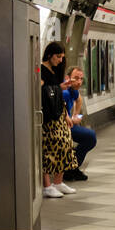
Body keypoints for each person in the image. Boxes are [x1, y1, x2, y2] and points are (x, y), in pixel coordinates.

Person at [41, 42, 78, 196]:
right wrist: (60, 88)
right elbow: (41, 90)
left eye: (62, 57)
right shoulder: (41, 70)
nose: (60, 60)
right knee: (48, 149)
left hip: (58, 113)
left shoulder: (55, 70)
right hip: (47, 116)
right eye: (58, 57)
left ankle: (58, 181)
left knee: (66, 144)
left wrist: (67, 115)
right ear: (49, 55)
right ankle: (47, 185)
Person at [63, 66, 96, 182]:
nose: (79, 82)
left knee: (90, 136)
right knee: (90, 137)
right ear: (68, 78)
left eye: (81, 79)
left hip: (68, 124)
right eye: (76, 78)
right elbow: (60, 110)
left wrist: (75, 115)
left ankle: (72, 167)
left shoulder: (73, 90)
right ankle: (71, 168)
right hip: (62, 126)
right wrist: (71, 119)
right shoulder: (65, 92)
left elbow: (79, 99)